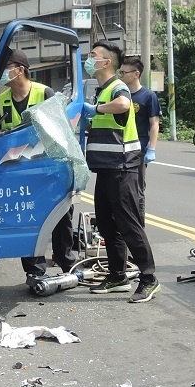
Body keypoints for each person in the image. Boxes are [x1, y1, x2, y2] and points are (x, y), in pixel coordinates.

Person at [81, 40, 160, 303]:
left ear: (106, 63)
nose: (89, 59)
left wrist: (95, 110)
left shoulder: (117, 87)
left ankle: (149, 279)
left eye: (93, 56)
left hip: (123, 167)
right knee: (105, 224)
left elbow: (125, 105)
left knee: (128, 224)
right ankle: (117, 275)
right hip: (106, 167)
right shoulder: (102, 90)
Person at [0, 48, 77, 277]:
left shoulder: (45, 93)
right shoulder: (1, 101)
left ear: (20, 70)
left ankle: (67, 262)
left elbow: (63, 130)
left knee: (60, 215)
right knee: (27, 217)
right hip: (20, 169)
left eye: (5, 68)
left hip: (50, 166)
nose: (0, 74)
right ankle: (35, 270)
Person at [119, 56, 161, 223]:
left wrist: (151, 148)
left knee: (136, 189)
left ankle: (138, 224)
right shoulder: (120, 94)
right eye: (119, 71)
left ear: (136, 74)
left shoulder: (148, 96)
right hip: (120, 148)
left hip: (139, 149)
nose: (120, 75)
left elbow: (154, 123)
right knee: (121, 188)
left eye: (124, 72)